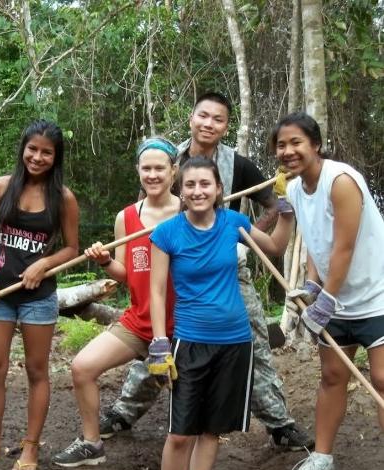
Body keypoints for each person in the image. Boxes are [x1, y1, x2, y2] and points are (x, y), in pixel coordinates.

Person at [100, 92, 313, 451]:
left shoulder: (237, 165)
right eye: (203, 116)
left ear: (226, 126)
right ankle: (123, 411)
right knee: (163, 339)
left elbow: (272, 203)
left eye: (218, 119)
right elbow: (149, 209)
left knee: (254, 344)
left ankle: (280, 424)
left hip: (227, 272)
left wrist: (242, 239)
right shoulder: (167, 157)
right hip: (176, 268)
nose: (208, 124)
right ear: (191, 118)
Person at [147, 156, 294, 470]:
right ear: (180, 189)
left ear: (217, 191)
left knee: (213, 430)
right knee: (181, 432)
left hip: (235, 343)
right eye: (191, 185)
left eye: (205, 185)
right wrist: (160, 342)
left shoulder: (234, 223)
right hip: (190, 343)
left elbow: (276, 245)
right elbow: (158, 290)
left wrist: (286, 206)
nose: (198, 191)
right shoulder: (167, 233)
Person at [51, 138, 180, 467]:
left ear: (174, 171)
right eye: (146, 168)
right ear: (138, 170)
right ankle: (91, 443)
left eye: (159, 168)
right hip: (138, 322)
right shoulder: (126, 217)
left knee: (188, 399)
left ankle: (188, 469)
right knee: (82, 368)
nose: (152, 175)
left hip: (181, 326)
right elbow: (126, 273)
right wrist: (106, 260)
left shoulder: (188, 212)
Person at [271, 112, 384, 470]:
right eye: (281, 145)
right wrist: (311, 284)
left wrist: (326, 299)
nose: (288, 151)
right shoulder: (294, 187)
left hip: (377, 295)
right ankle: (322, 458)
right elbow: (317, 244)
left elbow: (344, 246)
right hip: (337, 298)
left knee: (382, 379)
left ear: (315, 145)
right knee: (333, 375)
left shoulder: (341, 181)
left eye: (296, 143)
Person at [0, 119, 79, 470]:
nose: (38, 157)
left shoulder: (63, 198)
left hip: (38, 297)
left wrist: (44, 263)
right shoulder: (2, 188)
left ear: (55, 157)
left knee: (36, 370)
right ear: (23, 148)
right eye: (33, 149)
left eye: (47, 152)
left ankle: (30, 447)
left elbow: (72, 248)